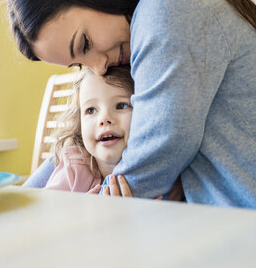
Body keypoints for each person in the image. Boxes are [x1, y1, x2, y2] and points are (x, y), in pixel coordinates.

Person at [10, 0, 256, 211]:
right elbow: (72, 150)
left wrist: (86, 216)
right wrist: (17, 202)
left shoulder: (168, 7)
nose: (97, 68)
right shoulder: (152, 23)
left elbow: (162, 144)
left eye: (85, 44)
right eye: (79, 64)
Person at [43, 66, 184, 200]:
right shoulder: (73, 168)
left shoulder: (164, 170)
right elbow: (45, 218)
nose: (104, 119)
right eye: (91, 110)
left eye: (121, 106)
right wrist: (82, 213)